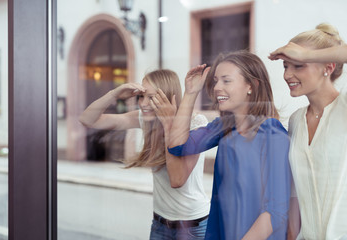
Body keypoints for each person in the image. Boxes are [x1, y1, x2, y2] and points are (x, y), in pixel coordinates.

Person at [164, 50, 291, 239]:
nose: (216, 87)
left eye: (226, 80)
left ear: (251, 85)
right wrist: (191, 93)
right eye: (216, 80)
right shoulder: (222, 128)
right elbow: (176, 145)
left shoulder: (272, 133)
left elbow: (276, 211)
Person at [79, 69, 210, 240]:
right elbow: (88, 120)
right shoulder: (145, 119)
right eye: (142, 96)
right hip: (160, 224)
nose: (143, 103)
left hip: (193, 227)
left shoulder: (195, 123)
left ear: (168, 96)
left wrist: (169, 124)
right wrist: (114, 94)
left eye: (152, 97)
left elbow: (177, 179)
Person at [269, 23, 347, 239]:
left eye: (298, 65)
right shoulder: (296, 121)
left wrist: (308, 53)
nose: (287, 75)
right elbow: (296, 192)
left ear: (328, 67)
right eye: (286, 66)